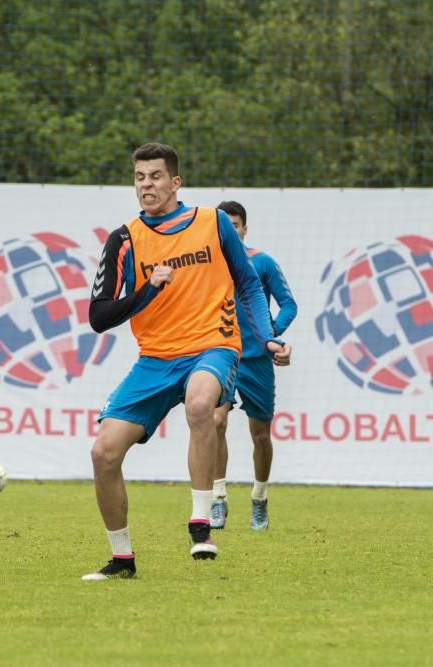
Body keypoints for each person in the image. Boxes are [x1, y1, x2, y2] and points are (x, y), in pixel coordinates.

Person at [81, 143, 291, 581]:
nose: (146, 185)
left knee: (201, 406)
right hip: (156, 358)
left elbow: (249, 286)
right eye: (139, 177)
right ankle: (122, 559)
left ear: (175, 182)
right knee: (103, 453)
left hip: (214, 343)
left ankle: (201, 522)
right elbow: (99, 317)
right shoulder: (124, 239)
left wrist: (268, 338)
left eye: (156, 176)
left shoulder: (213, 222)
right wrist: (150, 291)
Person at [210, 201, 297, 531]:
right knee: (216, 421)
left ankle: (259, 499)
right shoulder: (207, 265)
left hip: (257, 361)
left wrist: (271, 335)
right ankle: (218, 499)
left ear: (244, 229)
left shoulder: (261, 262)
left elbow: (289, 304)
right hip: (221, 355)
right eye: (224, 225)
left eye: (236, 224)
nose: (230, 230)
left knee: (260, 435)